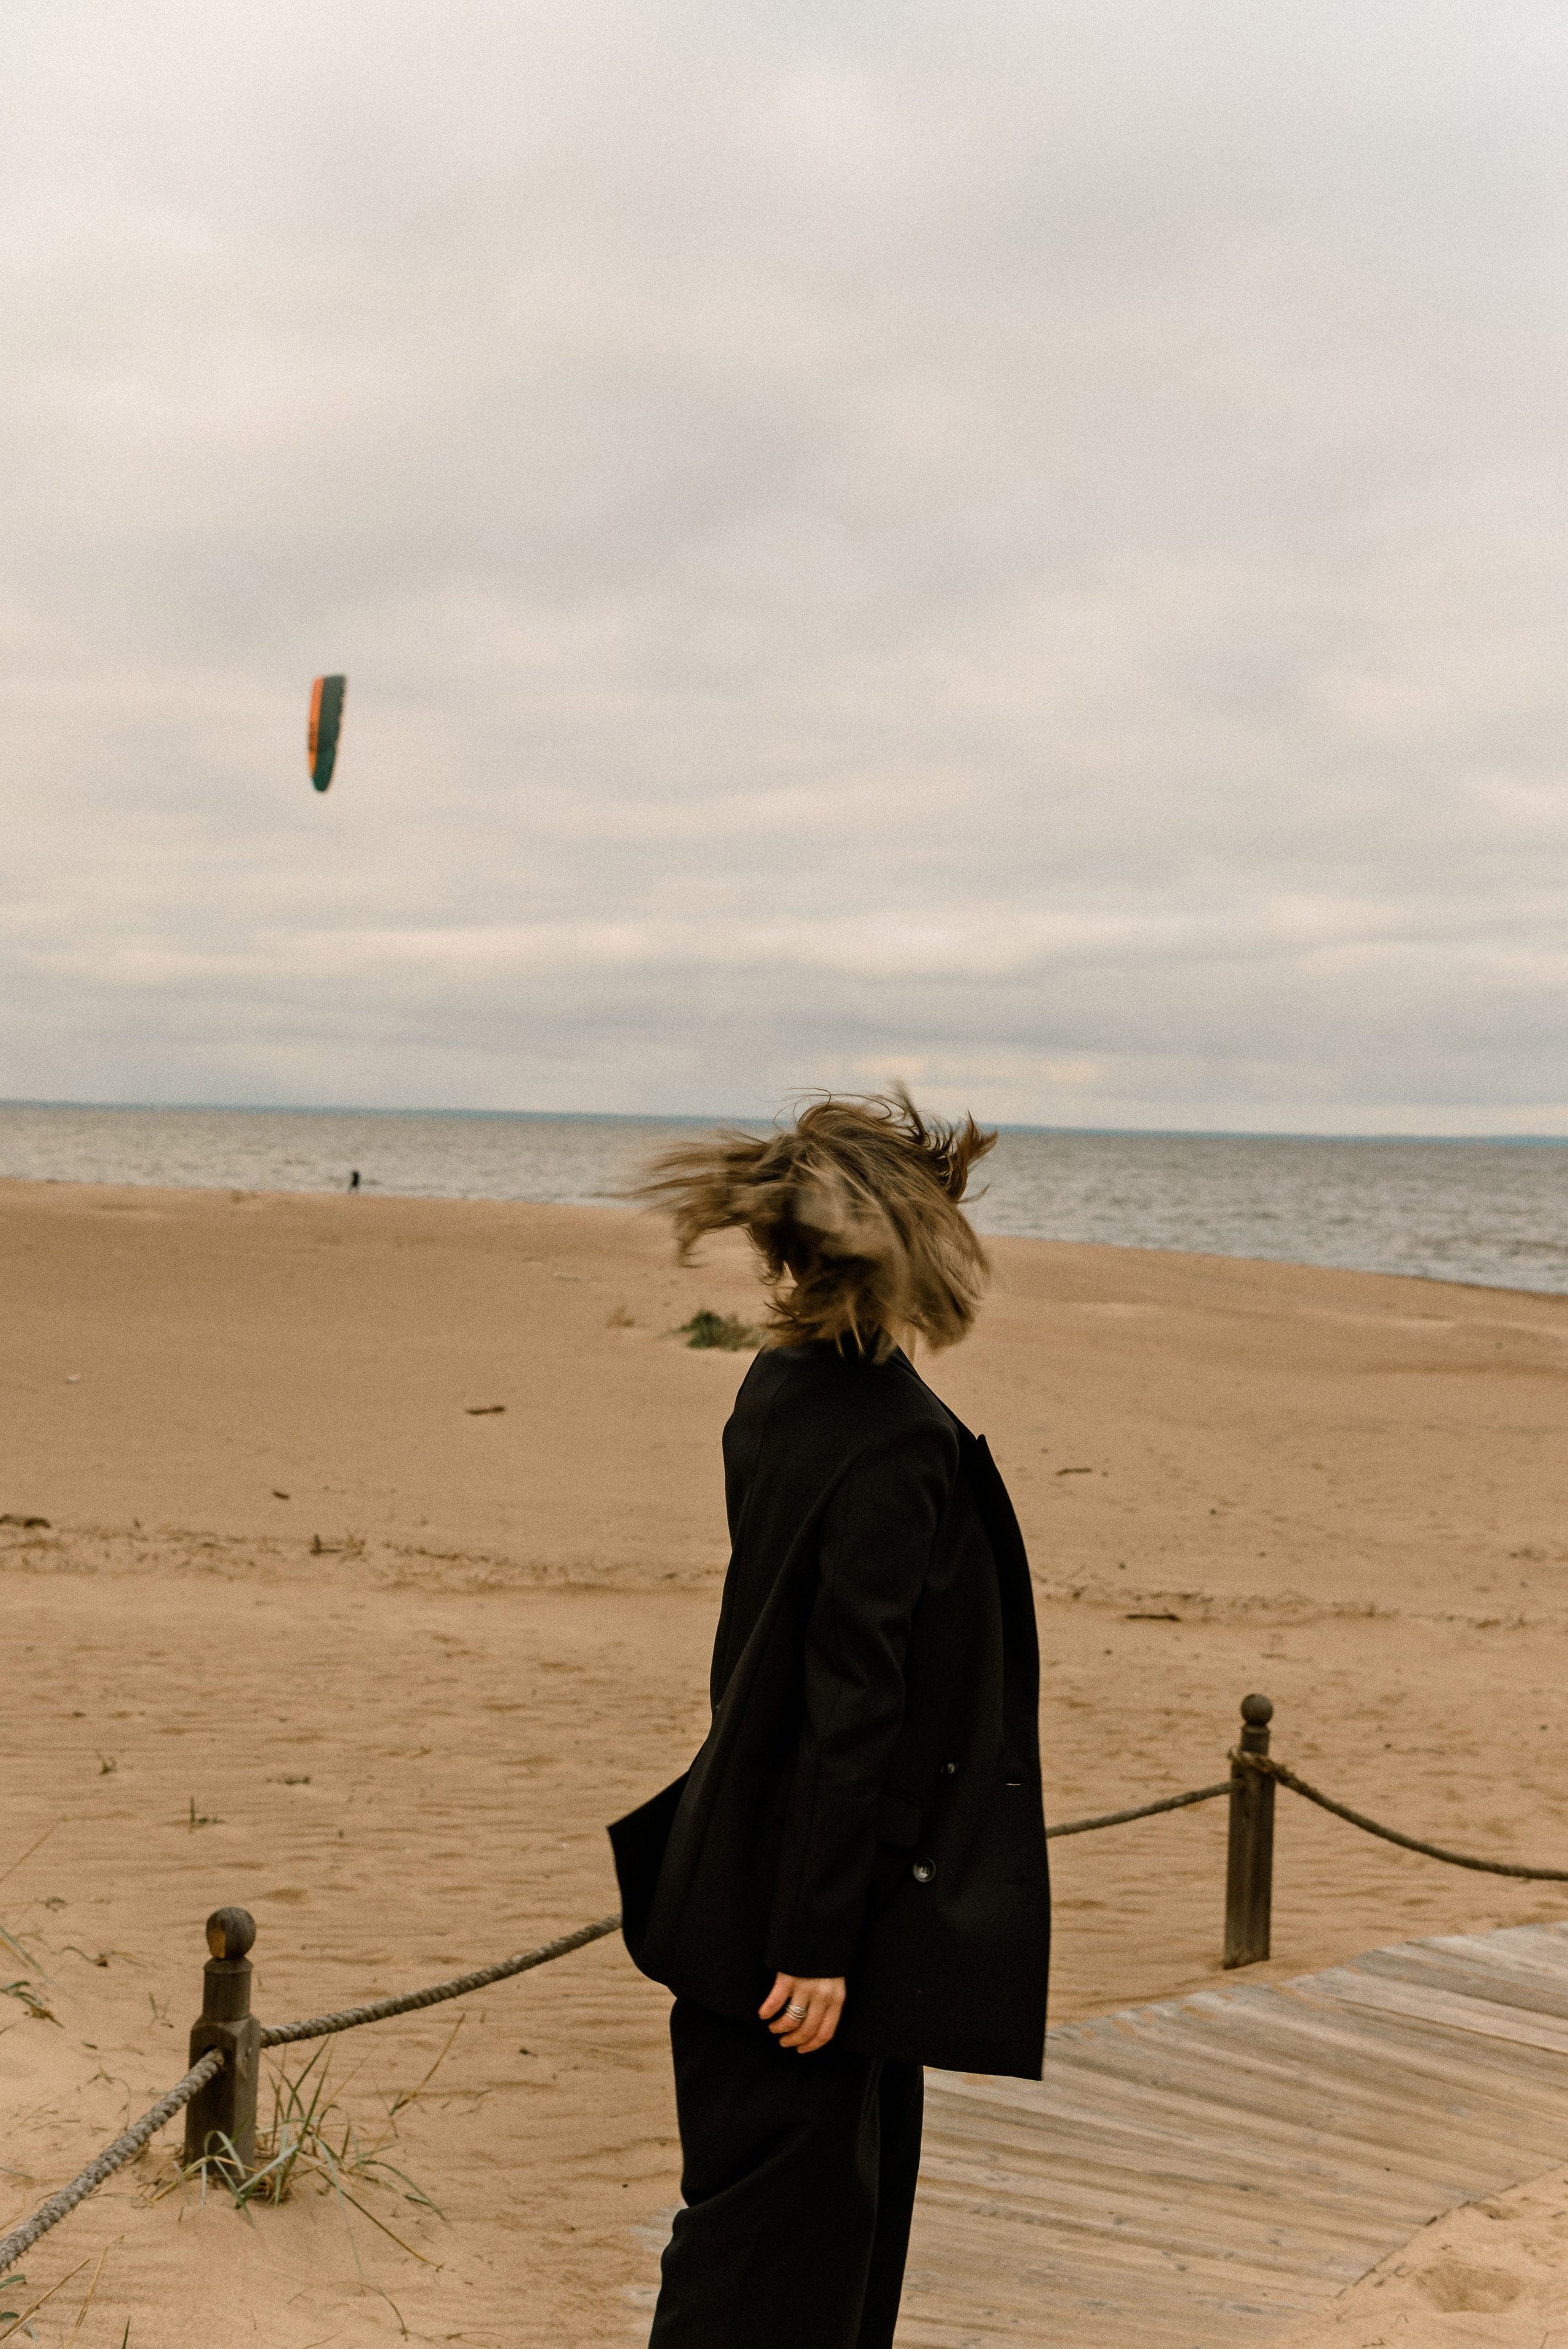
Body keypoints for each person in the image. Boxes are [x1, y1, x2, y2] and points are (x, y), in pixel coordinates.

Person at [609, 1092, 1050, 2349]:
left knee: (795, 2239)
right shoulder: (896, 1438)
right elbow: (852, 1706)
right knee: (776, 2267)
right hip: (805, 1922)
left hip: (743, 1862)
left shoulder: (779, 1384)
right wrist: (815, 1940)